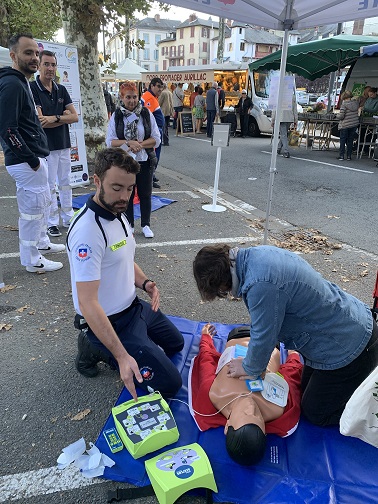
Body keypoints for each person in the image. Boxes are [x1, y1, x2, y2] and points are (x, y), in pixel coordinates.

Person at [192, 244, 378, 427]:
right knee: (303, 392)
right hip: (343, 329)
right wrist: (292, 355)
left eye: (223, 292)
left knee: (316, 413)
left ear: (223, 282)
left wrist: (250, 367)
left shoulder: (261, 284)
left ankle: (368, 413)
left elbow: (264, 335)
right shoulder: (255, 257)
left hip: (352, 347)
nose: (250, 412)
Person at [66, 148, 184, 400]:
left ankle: (113, 345)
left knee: (176, 344)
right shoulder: (88, 233)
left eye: (130, 189)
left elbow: (124, 258)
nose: (125, 196)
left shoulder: (118, 214)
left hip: (134, 308)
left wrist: (145, 283)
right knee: (171, 384)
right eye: (117, 187)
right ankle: (94, 346)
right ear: (97, 181)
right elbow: (87, 302)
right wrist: (121, 356)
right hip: (112, 322)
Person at [190, 324, 303, 465]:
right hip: (270, 341)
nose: (251, 408)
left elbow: (206, 361)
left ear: (227, 426)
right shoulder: (277, 408)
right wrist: (294, 354)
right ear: (264, 430)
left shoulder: (215, 394)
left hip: (239, 335)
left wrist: (206, 338)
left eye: (245, 414)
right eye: (258, 416)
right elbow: (291, 377)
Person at [0, 34, 65, 273]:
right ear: (14, 55)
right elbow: (7, 128)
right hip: (27, 162)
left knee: (41, 206)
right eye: (28, 53)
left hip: (32, 159)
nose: (35, 58)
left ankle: (42, 244)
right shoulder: (12, 84)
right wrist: (31, 160)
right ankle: (32, 259)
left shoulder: (20, 81)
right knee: (32, 212)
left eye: (36, 53)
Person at [31, 50, 79, 238]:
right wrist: (62, 117)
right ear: (39, 66)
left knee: (66, 182)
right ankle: (51, 222)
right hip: (45, 146)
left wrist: (55, 118)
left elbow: (74, 116)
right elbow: (41, 120)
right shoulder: (32, 87)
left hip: (63, 143)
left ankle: (67, 217)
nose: (50, 68)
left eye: (53, 65)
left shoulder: (61, 89)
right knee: (49, 185)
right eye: (47, 64)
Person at [106, 80, 160, 238]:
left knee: (145, 193)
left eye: (135, 97)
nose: (132, 101)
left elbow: (156, 138)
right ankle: (128, 224)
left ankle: (146, 224)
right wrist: (129, 143)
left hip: (144, 159)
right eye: (128, 97)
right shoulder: (116, 116)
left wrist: (140, 144)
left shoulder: (145, 113)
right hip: (125, 162)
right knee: (127, 194)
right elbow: (110, 141)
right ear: (122, 98)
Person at [141, 77, 164, 189]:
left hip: (156, 131)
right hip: (154, 132)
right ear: (152, 86)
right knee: (153, 155)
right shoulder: (148, 98)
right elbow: (147, 116)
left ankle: (152, 175)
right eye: (158, 86)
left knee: (154, 155)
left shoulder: (152, 97)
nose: (160, 89)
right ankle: (149, 177)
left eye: (162, 87)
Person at [271, 91, 298, 158]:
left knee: (283, 135)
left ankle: (286, 151)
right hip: (290, 117)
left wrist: (273, 119)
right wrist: (295, 119)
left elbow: (274, 109)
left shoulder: (278, 96)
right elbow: (295, 109)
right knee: (284, 134)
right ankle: (278, 149)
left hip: (281, 117)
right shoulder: (292, 96)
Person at [336, 90, 359, 161]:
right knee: (350, 140)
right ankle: (349, 156)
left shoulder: (344, 105)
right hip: (353, 124)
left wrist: (337, 116)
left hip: (345, 125)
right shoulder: (356, 103)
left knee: (343, 140)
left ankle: (341, 155)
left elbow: (341, 116)